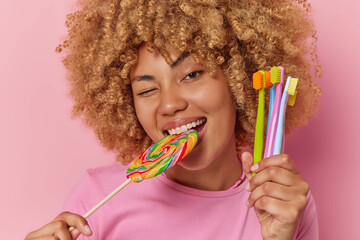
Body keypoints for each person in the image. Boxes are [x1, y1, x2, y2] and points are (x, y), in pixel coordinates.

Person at [25, 0, 322, 239]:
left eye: (192, 75)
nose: (170, 104)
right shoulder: (95, 201)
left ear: (238, 78)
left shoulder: (282, 200)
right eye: (147, 89)